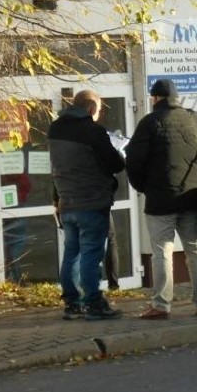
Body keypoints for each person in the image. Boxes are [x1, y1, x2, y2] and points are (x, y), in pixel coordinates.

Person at [125, 79, 197, 319]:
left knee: (162, 252)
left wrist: (142, 186)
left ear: (156, 98)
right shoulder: (194, 119)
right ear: (176, 98)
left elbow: (134, 159)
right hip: (192, 197)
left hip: (160, 199)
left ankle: (161, 305)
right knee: (196, 250)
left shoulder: (150, 122)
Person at [48, 89, 126, 320]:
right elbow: (114, 163)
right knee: (92, 254)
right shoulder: (93, 131)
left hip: (66, 201)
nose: (98, 115)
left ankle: (72, 303)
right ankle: (93, 303)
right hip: (91, 201)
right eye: (99, 110)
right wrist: (120, 154)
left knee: (71, 253)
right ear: (91, 109)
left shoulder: (56, 128)